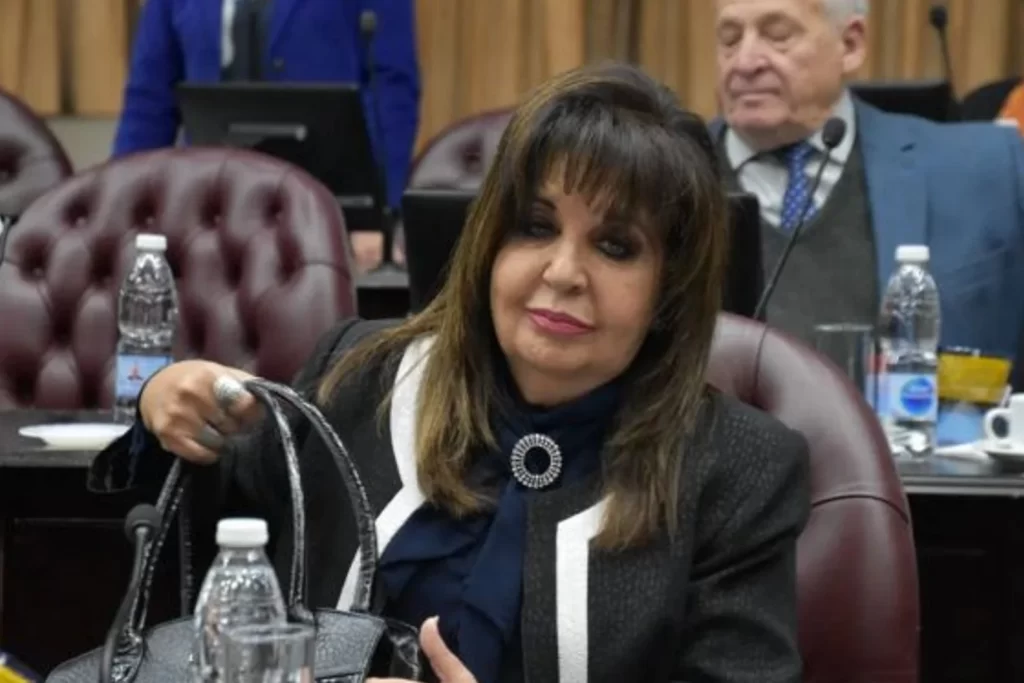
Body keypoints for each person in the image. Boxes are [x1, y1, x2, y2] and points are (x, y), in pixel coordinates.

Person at [90, 62, 810, 682]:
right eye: (535, 227)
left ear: (668, 290)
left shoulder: (736, 470)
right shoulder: (363, 376)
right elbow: (199, 539)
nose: (563, 272)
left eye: (616, 246)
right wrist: (165, 408)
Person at [713, 0, 1024, 360]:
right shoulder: (669, 180)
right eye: (730, 39)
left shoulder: (985, 168)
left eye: (777, 35)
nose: (745, 62)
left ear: (851, 44)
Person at [112, 0, 421, 273]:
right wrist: (119, 211)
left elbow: (391, 92)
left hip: (328, 213)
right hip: (208, 213)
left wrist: (377, 215)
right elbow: (149, 102)